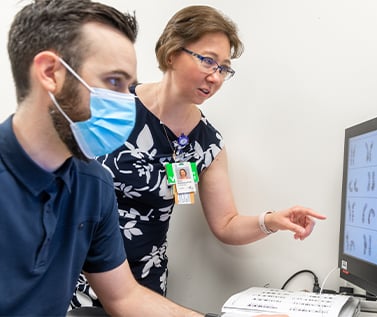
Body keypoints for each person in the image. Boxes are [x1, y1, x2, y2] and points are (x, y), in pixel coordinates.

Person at [73, 4, 327, 308]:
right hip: (79, 273)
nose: (216, 76)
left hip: (145, 287)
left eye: (224, 68)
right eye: (208, 61)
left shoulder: (207, 145)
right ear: (171, 53)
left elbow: (226, 223)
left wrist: (272, 220)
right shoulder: (112, 104)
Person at [0, 0, 220, 316]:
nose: (126, 103)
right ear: (51, 73)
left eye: (128, 86)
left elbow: (124, 298)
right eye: (114, 83)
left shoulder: (93, 184)